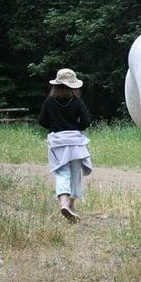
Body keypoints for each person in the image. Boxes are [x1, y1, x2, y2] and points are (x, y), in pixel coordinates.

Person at [38, 68, 93, 223]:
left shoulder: (49, 101)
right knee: (75, 174)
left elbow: (42, 121)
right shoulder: (77, 101)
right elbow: (86, 122)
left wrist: (55, 126)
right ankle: (71, 206)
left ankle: (63, 203)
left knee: (62, 173)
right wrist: (75, 128)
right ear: (73, 85)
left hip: (57, 143)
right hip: (75, 143)